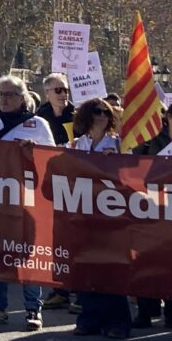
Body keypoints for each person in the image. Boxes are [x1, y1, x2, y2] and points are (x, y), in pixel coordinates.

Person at [0, 75, 54, 332]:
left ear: (23, 98)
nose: (4, 99)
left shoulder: (38, 124)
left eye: (9, 95)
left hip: (27, 201)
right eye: (1, 94)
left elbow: (53, 160)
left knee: (29, 255)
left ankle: (33, 309)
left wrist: (35, 151)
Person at [67, 99, 130, 338]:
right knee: (87, 269)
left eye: (107, 112)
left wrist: (116, 162)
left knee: (112, 270)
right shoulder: (75, 144)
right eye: (97, 111)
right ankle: (89, 319)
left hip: (112, 216)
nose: (103, 115)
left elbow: (133, 175)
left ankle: (118, 323)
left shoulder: (120, 144)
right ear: (86, 116)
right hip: (83, 215)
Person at [34, 73, 76, 311]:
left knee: (75, 238)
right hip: (49, 183)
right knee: (55, 238)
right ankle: (60, 289)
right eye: (58, 90)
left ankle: (79, 290)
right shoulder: (40, 117)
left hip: (74, 183)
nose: (63, 94)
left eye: (65, 90)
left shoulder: (79, 114)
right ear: (47, 93)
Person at [131, 108, 172, 328]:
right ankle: (146, 311)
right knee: (146, 262)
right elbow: (131, 165)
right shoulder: (149, 139)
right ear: (168, 119)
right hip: (150, 211)